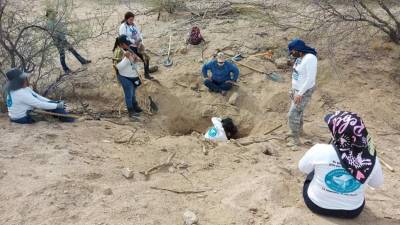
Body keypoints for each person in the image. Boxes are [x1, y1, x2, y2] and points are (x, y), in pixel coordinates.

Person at [299, 111, 384, 219]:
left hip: (317, 205)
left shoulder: (320, 150)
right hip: (353, 211)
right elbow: (376, 184)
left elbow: (303, 168)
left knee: (313, 169)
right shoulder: (372, 159)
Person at [5, 68, 74, 124]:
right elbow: (39, 104)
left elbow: (38, 97)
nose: (25, 80)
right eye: (23, 78)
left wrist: (53, 102)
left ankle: (65, 117)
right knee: (56, 108)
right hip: (22, 119)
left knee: (54, 104)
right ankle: (71, 121)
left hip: (16, 117)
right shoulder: (20, 93)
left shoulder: (16, 90)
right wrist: (57, 105)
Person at [286, 38, 318, 150]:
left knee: (292, 115)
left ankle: (294, 141)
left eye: (292, 51)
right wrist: (293, 89)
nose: (291, 54)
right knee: (298, 112)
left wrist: (300, 93)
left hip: (304, 91)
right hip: (297, 90)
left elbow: (310, 79)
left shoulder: (310, 59)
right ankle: (299, 131)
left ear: (299, 50)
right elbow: (297, 74)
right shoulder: (300, 57)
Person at [46, 9, 91, 74]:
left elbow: (62, 29)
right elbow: (53, 34)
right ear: (48, 15)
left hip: (63, 39)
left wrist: (64, 35)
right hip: (58, 41)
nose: (54, 15)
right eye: (52, 14)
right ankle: (66, 69)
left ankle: (82, 61)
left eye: (54, 14)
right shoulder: (49, 23)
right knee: (62, 54)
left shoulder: (55, 20)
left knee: (72, 50)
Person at [119, 11, 157, 80]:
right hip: (130, 47)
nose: (132, 21)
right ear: (126, 19)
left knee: (146, 58)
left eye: (133, 19)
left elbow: (139, 33)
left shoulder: (133, 25)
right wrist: (134, 42)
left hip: (138, 46)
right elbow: (124, 39)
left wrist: (140, 42)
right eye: (130, 19)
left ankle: (146, 74)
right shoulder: (123, 27)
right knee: (132, 63)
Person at [113, 35, 143, 118]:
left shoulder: (128, 48)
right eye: (126, 44)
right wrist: (126, 59)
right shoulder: (118, 52)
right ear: (121, 44)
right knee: (129, 94)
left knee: (133, 92)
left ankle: (135, 106)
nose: (128, 45)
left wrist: (136, 59)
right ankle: (131, 111)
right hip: (124, 76)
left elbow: (134, 59)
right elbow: (117, 67)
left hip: (133, 75)